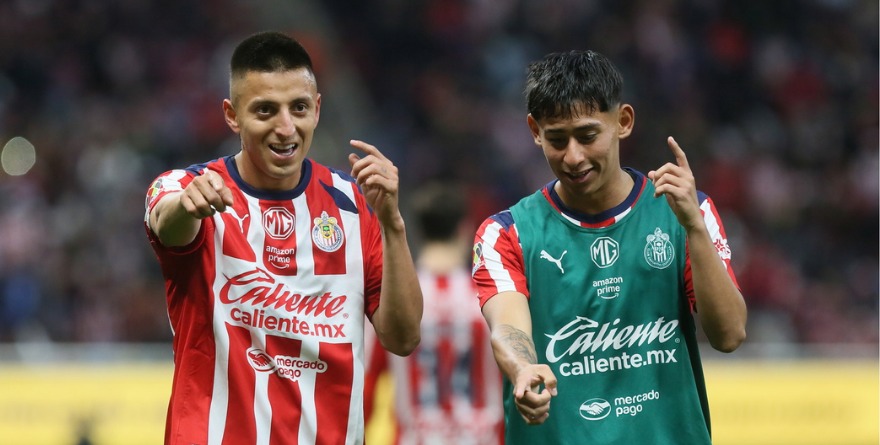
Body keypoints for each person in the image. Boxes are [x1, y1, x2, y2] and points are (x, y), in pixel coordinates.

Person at [143, 31, 423, 445]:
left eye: (299, 108)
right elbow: (167, 223)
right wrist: (186, 207)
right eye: (266, 110)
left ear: (318, 109)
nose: (286, 128)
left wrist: (393, 225)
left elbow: (404, 338)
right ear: (232, 115)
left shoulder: (354, 204)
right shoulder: (188, 188)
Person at [471, 50, 747, 444]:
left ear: (623, 122)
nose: (573, 157)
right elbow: (508, 328)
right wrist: (522, 368)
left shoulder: (686, 212)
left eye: (587, 136)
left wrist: (694, 229)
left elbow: (730, 335)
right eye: (557, 139)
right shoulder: (505, 234)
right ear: (534, 130)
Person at [364, 182, 503, 445]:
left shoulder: (390, 303)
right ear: (465, 229)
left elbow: (366, 387)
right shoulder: (492, 300)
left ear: (418, 232)